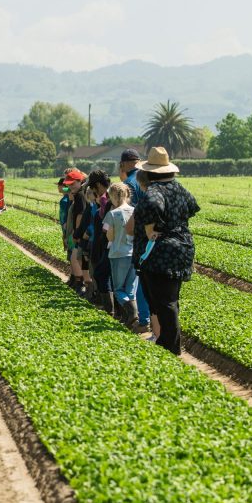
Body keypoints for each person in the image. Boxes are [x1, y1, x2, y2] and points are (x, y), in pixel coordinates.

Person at [131, 147, 200, 355]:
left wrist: (153, 228)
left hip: (161, 252)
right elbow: (192, 206)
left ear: (149, 172)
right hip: (183, 247)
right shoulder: (179, 188)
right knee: (170, 300)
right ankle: (171, 344)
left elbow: (152, 206)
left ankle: (170, 346)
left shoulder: (154, 192)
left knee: (163, 302)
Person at [119, 148, 150, 334]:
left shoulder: (129, 184)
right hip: (155, 235)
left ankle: (144, 319)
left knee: (140, 278)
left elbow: (127, 215)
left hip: (138, 237)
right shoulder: (149, 181)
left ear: (124, 164)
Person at [104, 182, 137, 326]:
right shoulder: (135, 211)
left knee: (118, 290)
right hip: (134, 253)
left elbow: (110, 237)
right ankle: (131, 318)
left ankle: (131, 313)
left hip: (118, 254)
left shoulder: (112, 214)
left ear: (112, 196)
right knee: (130, 290)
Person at [85, 170, 113, 314]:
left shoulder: (106, 199)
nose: (93, 191)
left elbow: (105, 226)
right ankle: (113, 310)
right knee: (106, 276)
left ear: (98, 185)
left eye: (93, 187)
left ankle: (111, 310)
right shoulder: (108, 196)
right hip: (107, 243)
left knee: (103, 275)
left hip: (108, 244)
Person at [61, 168, 88, 294]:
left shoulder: (81, 196)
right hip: (76, 232)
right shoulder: (77, 194)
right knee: (75, 258)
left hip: (78, 233)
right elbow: (63, 189)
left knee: (76, 258)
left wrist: (75, 233)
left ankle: (81, 285)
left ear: (79, 181)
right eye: (68, 184)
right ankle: (78, 283)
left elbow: (80, 216)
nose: (70, 186)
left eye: (72, 183)